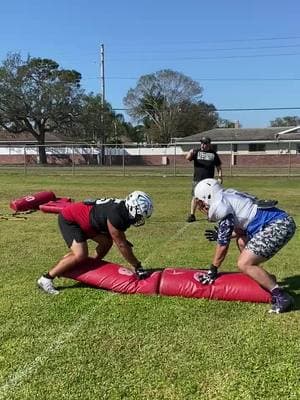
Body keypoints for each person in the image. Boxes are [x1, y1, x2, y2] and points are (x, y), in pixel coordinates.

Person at [194, 178, 296, 314]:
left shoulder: (221, 205)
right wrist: (224, 234)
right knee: (242, 241)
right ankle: (264, 278)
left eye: (202, 202)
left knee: (244, 263)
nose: (203, 206)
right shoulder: (228, 195)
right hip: (280, 221)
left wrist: (212, 270)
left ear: (209, 196)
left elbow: (222, 246)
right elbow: (243, 228)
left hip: (277, 225)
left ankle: (281, 296)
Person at [37, 191, 153, 295]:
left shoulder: (123, 210)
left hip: (88, 222)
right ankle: (46, 278)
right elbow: (121, 244)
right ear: (132, 208)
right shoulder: (118, 215)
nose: (139, 219)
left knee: (106, 242)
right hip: (71, 220)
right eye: (139, 216)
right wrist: (137, 266)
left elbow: (115, 233)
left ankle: (90, 267)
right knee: (80, 254)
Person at [185, 136, 222, 223]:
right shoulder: (196, 152)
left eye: (205, 143)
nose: (202, 145)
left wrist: (220, 176)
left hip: (209, 181)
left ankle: (210, 215)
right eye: (201, 143)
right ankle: (192, 215)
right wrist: (190, 153)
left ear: (209, 144)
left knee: (210, 199)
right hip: (197, 180)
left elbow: (218, 167)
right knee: (195, 197)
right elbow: (187, 158)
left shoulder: (213, 154)